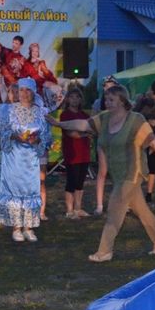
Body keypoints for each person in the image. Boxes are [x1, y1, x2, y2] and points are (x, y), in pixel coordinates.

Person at [50, 83, 155, 261]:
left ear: (122, 101)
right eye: (106, 99)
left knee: (115, 209)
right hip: (117, 174)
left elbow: (154, 142)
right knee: (141, 209)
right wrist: (59, 123)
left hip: (133, 172)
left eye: (111, 99)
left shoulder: (136, 119)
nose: (107, 103)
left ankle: (105, 251)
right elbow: (83, 125)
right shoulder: (105, 118)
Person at [0, 77, 50, 242]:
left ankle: (28, 227)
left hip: (31, 159)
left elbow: (46, 136)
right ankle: (16, 227)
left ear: (33, 92)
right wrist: (14, 135)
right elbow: (2, 133)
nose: (25, 94)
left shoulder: (41, 112)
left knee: (30, 191)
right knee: (14, 191)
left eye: (28, 90)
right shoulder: (8, 110)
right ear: (17, 92)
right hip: (13, 158)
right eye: (21, 90)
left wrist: (38, 140)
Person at [133, 80, 155, 205]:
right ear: (150, 89)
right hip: (140, 139)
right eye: (154, 94)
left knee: (153, 167)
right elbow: (135, 114)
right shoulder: (141, 99)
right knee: (137, 167)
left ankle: (149, 195)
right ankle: (134, 194)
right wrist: (148, 120)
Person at [58, 87, 92, 219]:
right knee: (71, 181)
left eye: (77, 97)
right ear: (67, 99)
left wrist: (85, 133)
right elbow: (71, 133)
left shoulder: (84, 115)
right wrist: (84, 134)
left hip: (84, 152)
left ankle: (78, 208)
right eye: (72, 97)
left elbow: (92, 129)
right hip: (72, 153)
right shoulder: (65, 115)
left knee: (80, 182)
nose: (75, 100)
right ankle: (69, 210)